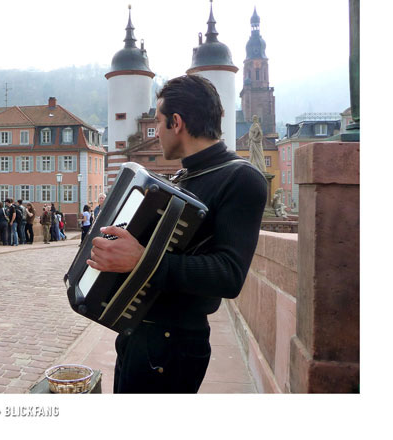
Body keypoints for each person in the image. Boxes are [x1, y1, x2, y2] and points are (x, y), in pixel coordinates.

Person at [86, 74, 267, 394]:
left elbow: (229, 275)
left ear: (177, 122)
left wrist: (140, 260)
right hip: (138, 337)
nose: (154, 132)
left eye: (157, 121)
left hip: (172, 345)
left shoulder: (242, 177)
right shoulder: (186, 176)